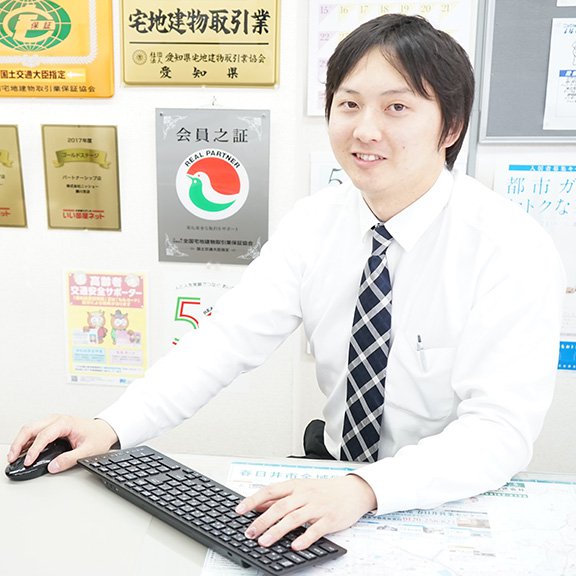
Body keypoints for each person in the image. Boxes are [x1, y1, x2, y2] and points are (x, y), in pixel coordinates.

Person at [7, 14, 565, 552]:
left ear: (451, 126)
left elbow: (500, 431)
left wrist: (367, 490)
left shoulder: (511, 249)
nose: (365, 129)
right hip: (336, 482)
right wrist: (110, 426)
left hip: (443, 498)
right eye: (349, 104)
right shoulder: (315, 222)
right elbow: (222, 343)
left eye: (397, 107)